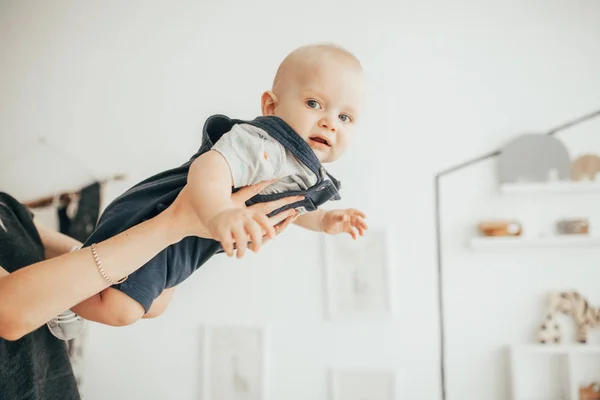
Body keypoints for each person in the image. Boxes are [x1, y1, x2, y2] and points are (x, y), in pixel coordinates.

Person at [70, 42, 369, 328]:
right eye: (314, 103)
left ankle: (65, 265)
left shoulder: (300, 169)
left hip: (189, 244)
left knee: (156, 305)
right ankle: (58, 300)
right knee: (119, 308)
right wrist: (219, 212)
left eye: (344, 116)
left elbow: (283, 207)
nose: (330, 123)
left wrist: (325, 220)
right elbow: (210, 167)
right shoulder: (265, 144)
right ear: (270, 106)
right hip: (158, 216)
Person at [0, 182, 300, 400]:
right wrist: (172, 224)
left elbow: (151, 302)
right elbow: (9, 310)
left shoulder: (7, 207)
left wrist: (195, 238)